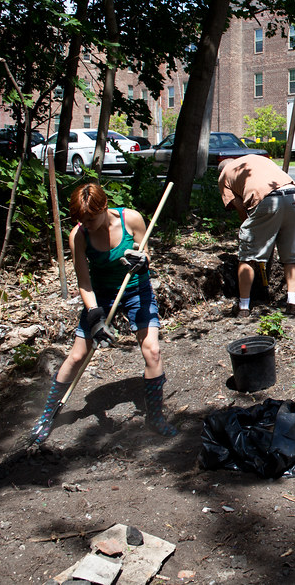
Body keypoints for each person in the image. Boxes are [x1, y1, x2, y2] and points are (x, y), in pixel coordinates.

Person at [31, 183, 177, 444]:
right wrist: (95, 317)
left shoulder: (131, 219)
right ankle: (48, 416)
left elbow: (146, 254)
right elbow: (84, 282)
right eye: (80, 220)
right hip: (100, 295)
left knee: (152, 350)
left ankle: (155, 417)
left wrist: (142, 261)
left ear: (105, 208)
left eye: (89, 219)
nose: (85, 225)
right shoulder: (78, 235)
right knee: (77, 356)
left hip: (135, 290)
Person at [218, 155, 295, 317]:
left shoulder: (224, 175)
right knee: (292, 253)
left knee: (247, 256)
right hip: (294, 197)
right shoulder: (255, 159)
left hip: (266, 199)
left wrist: (254, 239)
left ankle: (243, 306)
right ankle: (292, 302)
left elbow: (241, 210)